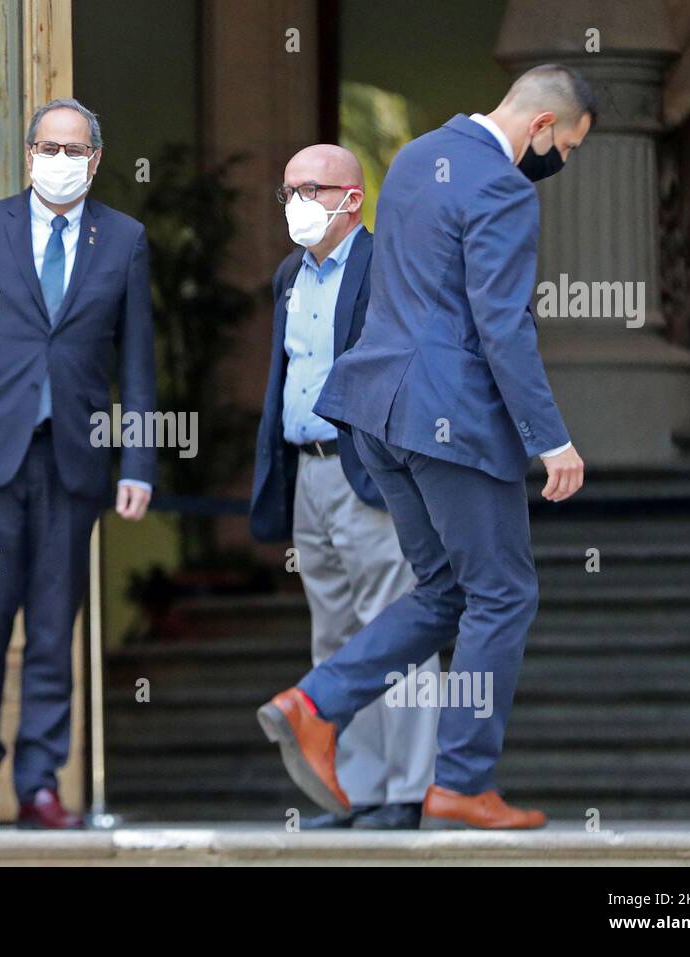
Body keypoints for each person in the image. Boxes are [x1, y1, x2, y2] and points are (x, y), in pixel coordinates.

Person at [257, 64, 596, 829]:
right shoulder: (504, 188)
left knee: (446, 592)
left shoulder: (413, 157)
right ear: (543, 126)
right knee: (504, 591)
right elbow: (501, 324)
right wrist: (554, 440)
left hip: (375, 413)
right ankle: (462, 781)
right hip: (451, 421)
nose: (561, 163)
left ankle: (314, 701)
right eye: (569, 147)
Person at [0, 97, 156, 829]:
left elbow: (138, 365)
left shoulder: (124, 240)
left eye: (74, 149)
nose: (60, 160)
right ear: (28, 157)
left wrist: (139, 462)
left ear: (96, 159)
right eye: (48, 147)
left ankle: (42, 782)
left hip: (73, 465)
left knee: (54, 630)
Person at [250, 144, 438, 829]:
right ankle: (354, 792)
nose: (297, 202)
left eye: (312, 188)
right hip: (308, 471)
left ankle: (407, 791)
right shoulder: (287, 277)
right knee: (333, 640)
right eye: (289, 189)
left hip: (374, 474)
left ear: (352, 198)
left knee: (394, 630)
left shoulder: (387, 265)